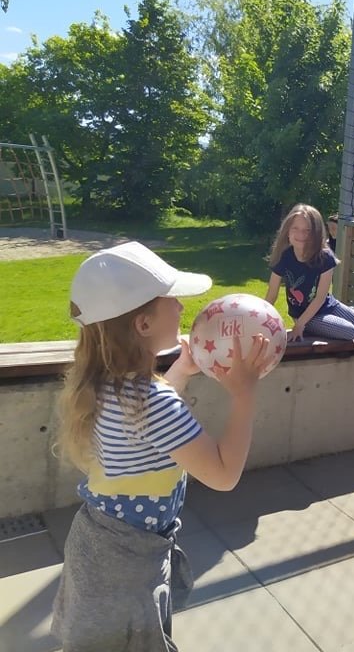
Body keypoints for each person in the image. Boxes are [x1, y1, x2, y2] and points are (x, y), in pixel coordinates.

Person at [52, 241, 271, 651]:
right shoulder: (154, 403)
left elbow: (143, 425)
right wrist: (244, 394)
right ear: (143, 324)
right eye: (172, 300)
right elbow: (223, 475)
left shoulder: (103, 383)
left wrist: (181, 371)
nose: (182, 307)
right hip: (128, 563)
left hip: (97, 544)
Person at [266, 203, 354, 341]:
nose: (301, 234)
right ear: (287, 231)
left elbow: (320, 298)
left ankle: (347, 314)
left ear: (316, 233)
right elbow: (272, 295)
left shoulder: (325, 257)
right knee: (349, 331)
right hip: (304, 315)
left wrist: (299, 326)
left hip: (326, 305)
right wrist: (299, 324)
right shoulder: (284, 257)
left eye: (307, 230)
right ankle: (325, 323)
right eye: (295, 228)